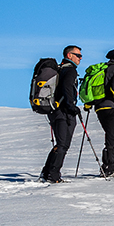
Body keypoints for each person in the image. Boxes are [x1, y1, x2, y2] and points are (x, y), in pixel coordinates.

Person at [40, 45, 83, 183]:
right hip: (63, 112)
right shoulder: (70, 70)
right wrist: (72, 107)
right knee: (63, 144)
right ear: (69, 55)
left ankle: (47, 172)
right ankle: (53, 175)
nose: (80, 58)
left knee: (61, 144)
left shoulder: (61, 69)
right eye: (78, 55)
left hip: (55, 110)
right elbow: (66, 88)